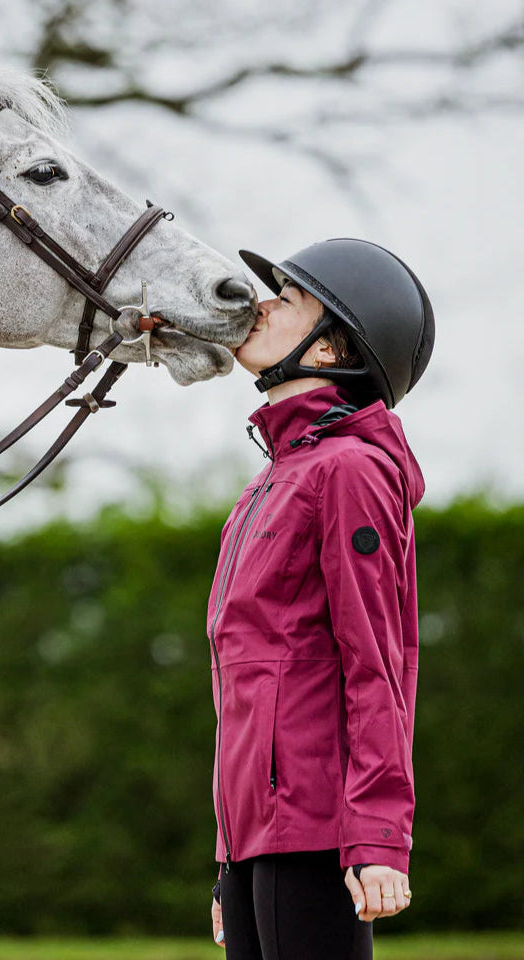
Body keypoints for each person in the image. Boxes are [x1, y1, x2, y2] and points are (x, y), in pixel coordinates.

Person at [207, 239, 435, 960]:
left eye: (288, 298)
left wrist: (378, 834)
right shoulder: (268, 483)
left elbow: (381, 662)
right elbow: (247, 685)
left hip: (318, 831)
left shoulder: (349, 473)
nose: (261, 305)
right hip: (255, 835)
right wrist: (226, 861)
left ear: (333, 349)